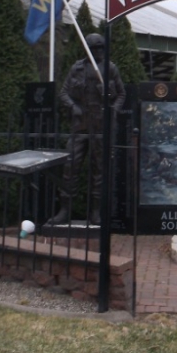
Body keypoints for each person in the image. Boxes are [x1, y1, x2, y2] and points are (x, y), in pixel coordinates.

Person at [48, 33, 126, 225]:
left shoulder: (110, 68)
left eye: (101, 48)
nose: (98, 52)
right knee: (70, 167)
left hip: (100, 126)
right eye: (95, 48)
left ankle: (96, 212)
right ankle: (65, 210)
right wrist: (73, 107)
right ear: (88, 50)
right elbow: (64, 92)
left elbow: (121, 94)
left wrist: (112, 111)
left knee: (99, 170)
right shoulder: (77, 68)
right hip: (80, 126)